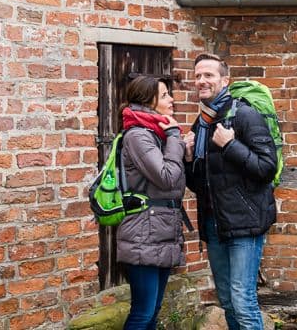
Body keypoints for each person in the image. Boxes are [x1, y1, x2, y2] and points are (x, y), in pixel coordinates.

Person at [182, 53, 277, 330]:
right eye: (198, 75)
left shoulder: (245, 115)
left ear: (225, 80)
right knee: (226, 299)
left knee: (243, 300)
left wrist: (230, 146)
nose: (202, 81)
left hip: (245, 223)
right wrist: (189, 160)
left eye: (208, 75)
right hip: (215, 225)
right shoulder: (201, 123)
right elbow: (201, 186)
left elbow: (266, 168)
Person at [115, 76, 186, 330]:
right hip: (143, 232)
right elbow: (167, 177)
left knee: (153, 311)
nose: (171, 100)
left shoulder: (156, 133)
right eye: (165, 95)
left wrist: (175, 143)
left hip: (160, 230)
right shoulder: (138, 135)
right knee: (143, 313)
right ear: (148, 100)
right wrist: (175, 138)